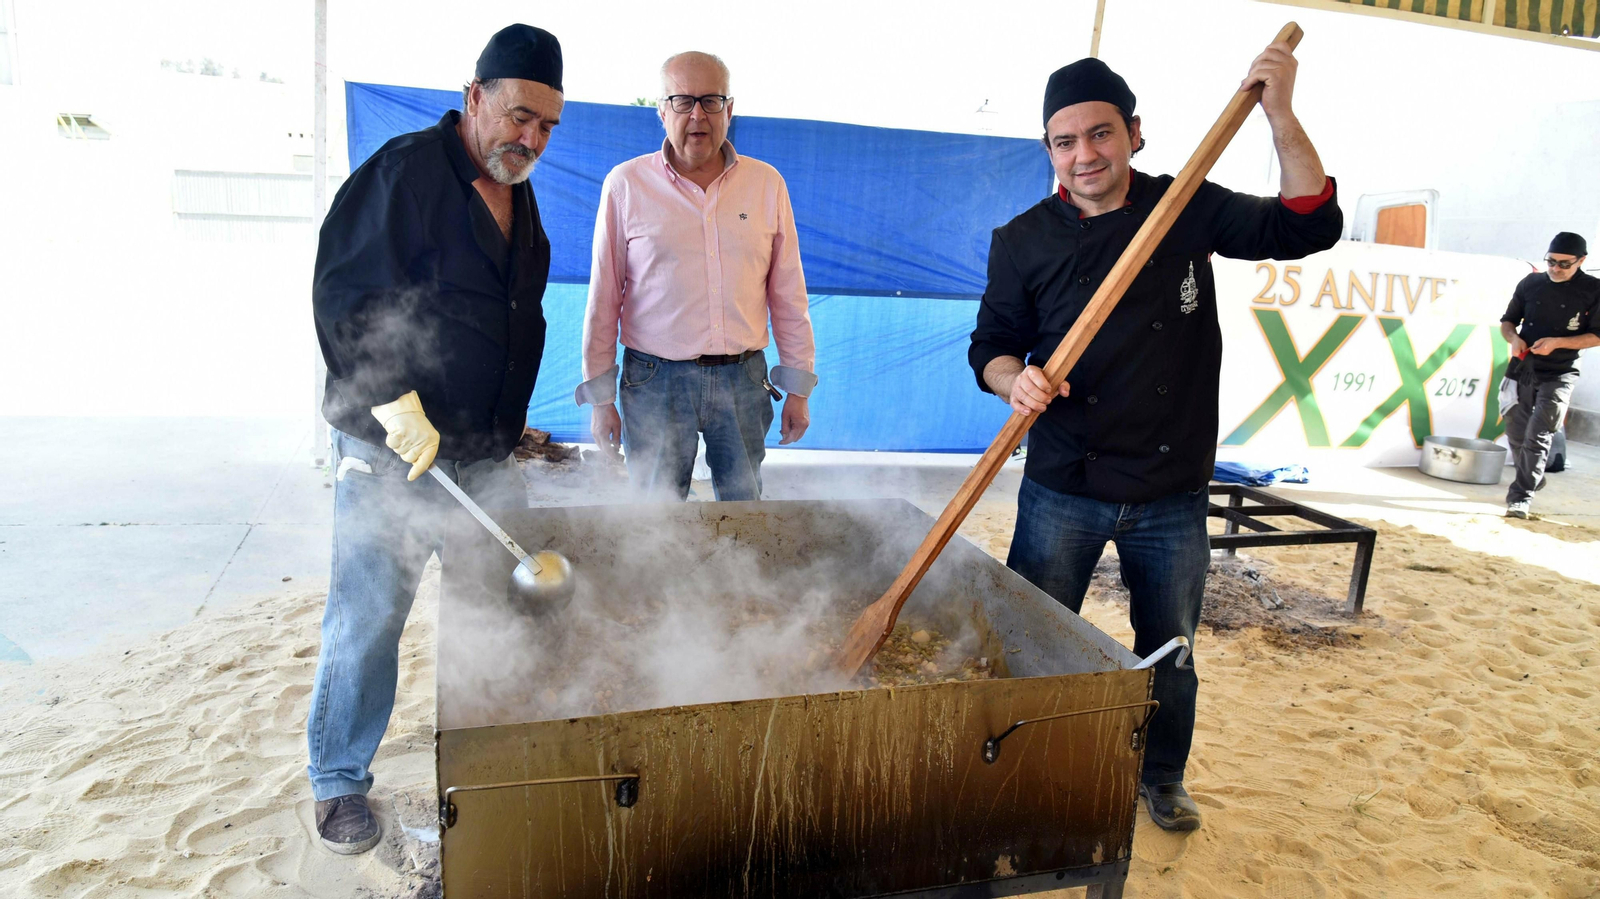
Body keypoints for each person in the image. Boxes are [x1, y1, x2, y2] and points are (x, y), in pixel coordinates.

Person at [968, 47, 1341, 832]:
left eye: (1100, 134)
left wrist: (1279, 112)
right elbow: (991, 347)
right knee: (1031, 639)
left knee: (1169, 649)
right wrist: (1014, 380)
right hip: (1063, 483)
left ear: (1134, 133)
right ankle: (1017, 766)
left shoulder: (1185, 205)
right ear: (1048, 150)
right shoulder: (1021, 239)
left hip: (1170, 488)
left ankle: (1161, 775)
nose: (1084, 154)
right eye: (1065, 141)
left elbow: (1308, 223)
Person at [307, 24, 563, 854]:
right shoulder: (403, 174)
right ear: (474, 97)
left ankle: (484, 755)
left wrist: (507, 426)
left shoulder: (518, 192)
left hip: (483, 455)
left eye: (547, 126)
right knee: (369, 614)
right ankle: (338, 779)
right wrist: (391, 401)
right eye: (520, 116)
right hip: (394, 451)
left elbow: (510, 314)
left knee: (500, 603)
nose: (532, 139)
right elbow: (345, 296)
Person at [575, 51, 817, 501]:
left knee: (744, 513)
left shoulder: (767, 184)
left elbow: (788, 293)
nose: (698, 115)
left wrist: (798, 388)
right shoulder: (625, 185)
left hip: (744, 378)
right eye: (683, 101)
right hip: (654, 381)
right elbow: (604, 298)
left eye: (711, 100)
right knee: (655, 517)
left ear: (730, 109)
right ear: (661, 110)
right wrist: (601, 400)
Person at [1499, 232, 1599, 519]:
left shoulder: (1594, 290)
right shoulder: (1530, 283)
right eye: (1551, 261)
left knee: (1539, 433)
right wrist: (1513, 338)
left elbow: (1597, 335)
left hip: (1561, 371)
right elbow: (1508, 321)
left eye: (1565, 264)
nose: (1556, 268)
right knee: (1515, 430)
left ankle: (1521, 497)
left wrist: (1558, 342)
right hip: (1522, 367)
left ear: (1581, 261)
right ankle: (1533, 475)